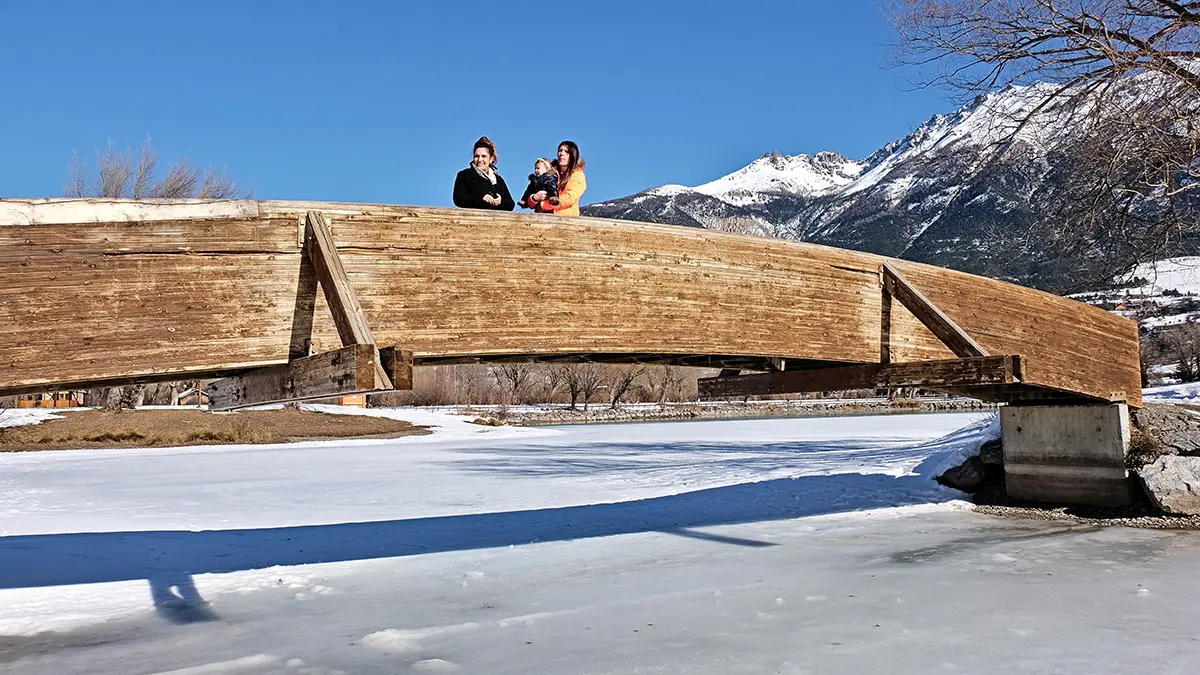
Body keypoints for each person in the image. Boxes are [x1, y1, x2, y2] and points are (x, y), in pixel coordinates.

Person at [452, 136, 515, 211]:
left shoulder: (499, 180)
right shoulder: (464, 175)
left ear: (491, 159)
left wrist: (500, 201)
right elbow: (459, 199)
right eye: (476, 156)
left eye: (484, 156)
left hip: (496, 221)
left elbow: (511, 204)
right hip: (472, 220)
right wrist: (482, 198)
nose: (479, 159)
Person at [529, 140, 586, 216]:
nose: (562, 154)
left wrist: (543, 205)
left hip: (565, 221)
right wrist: (534, 198)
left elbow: (569, 198)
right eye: (560, 150)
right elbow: (530, 199)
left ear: (573, 155)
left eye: (566, 152)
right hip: (541, 219)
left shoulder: (578, 175)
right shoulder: (548, 173)